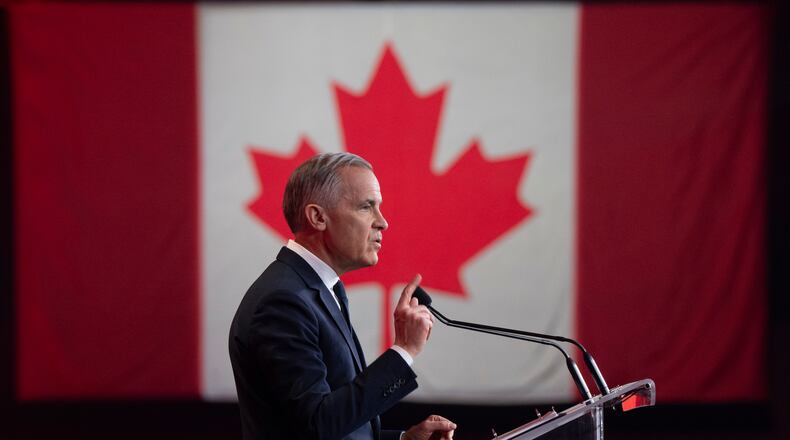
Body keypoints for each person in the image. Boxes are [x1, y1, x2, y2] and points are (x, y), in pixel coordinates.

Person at [229, 152, 456, 440]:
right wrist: (404, 350)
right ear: (318, 217)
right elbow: (317, 425)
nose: (382, 222)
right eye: (366, 207)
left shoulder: (320, 288)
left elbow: (333, 423)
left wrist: (403, 439)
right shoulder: (283, 302)